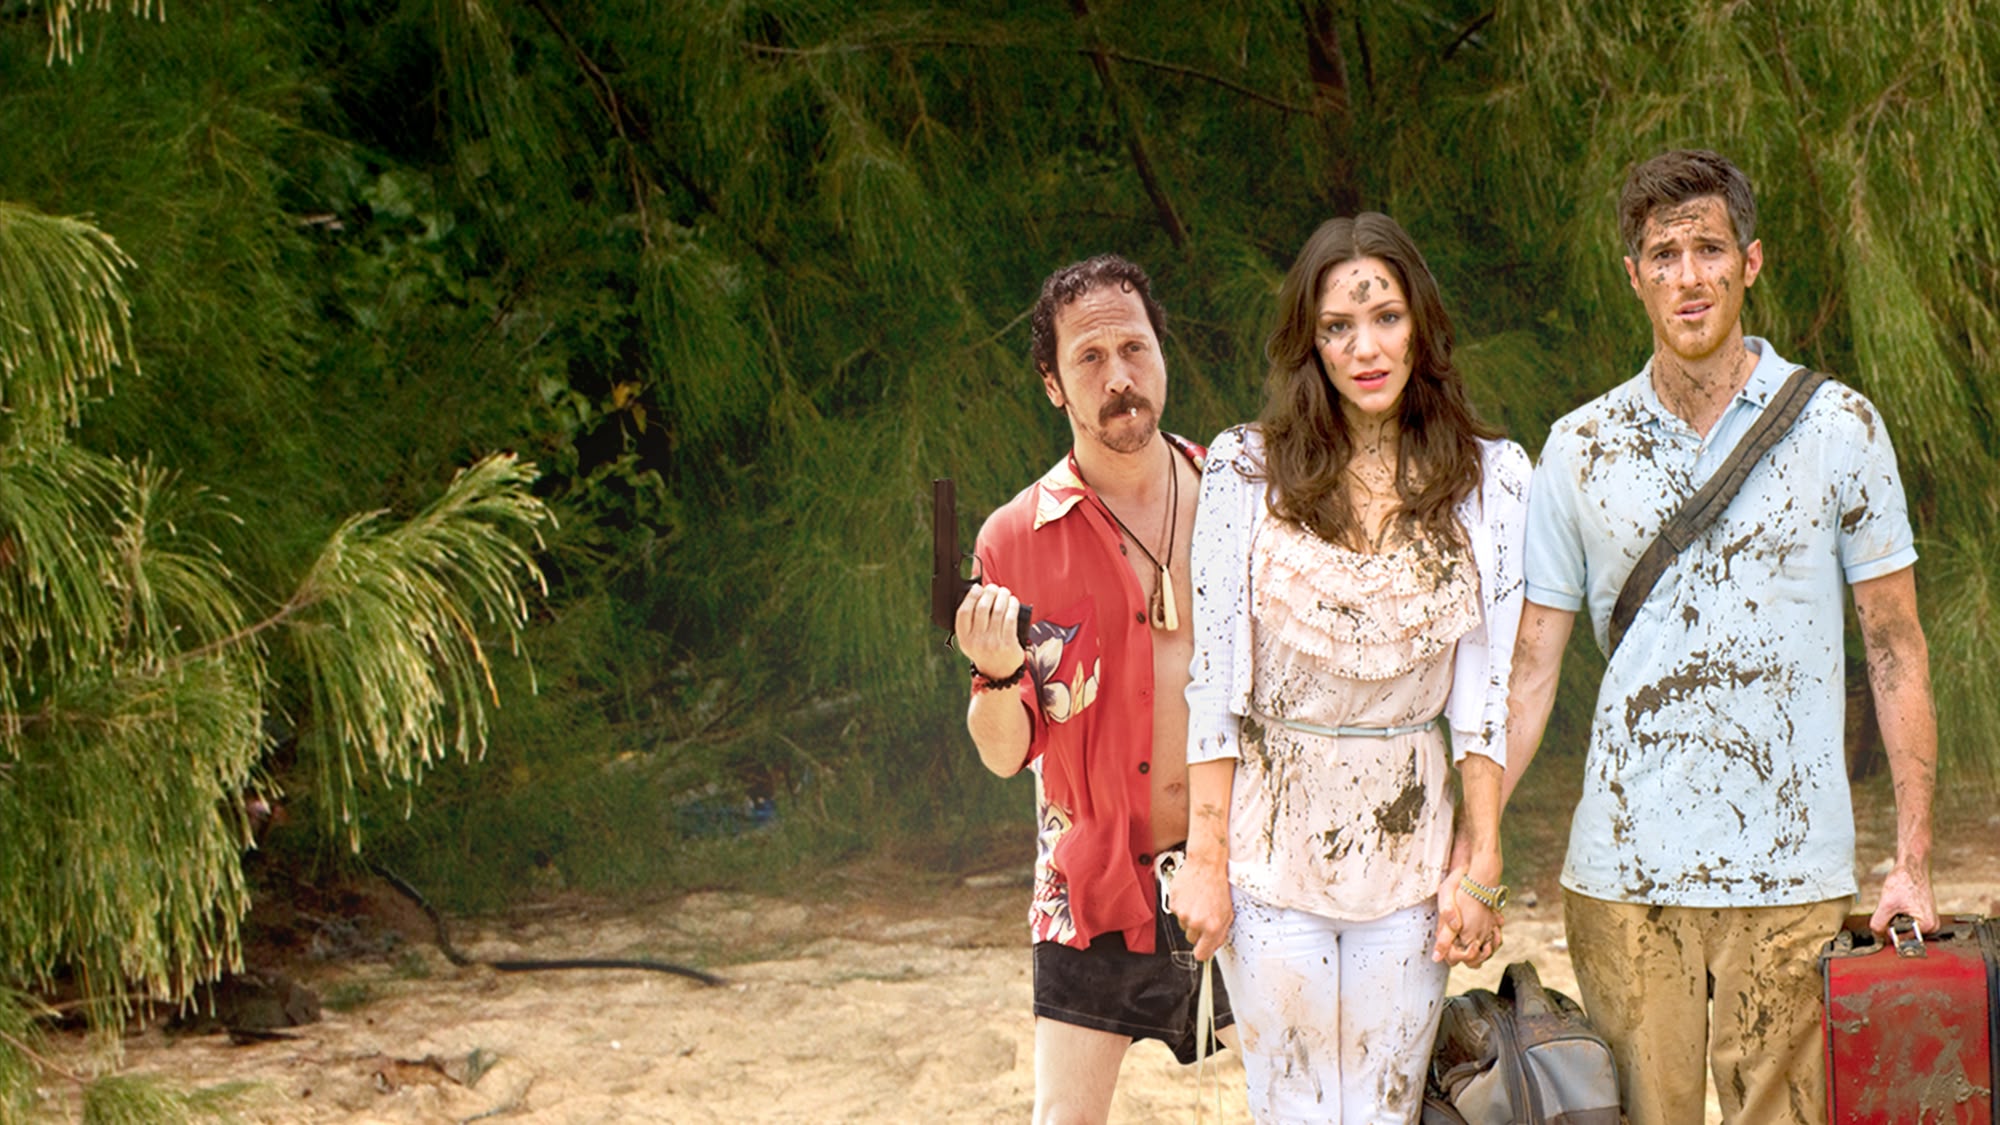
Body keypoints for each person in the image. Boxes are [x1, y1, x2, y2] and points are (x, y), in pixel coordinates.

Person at [1503, 148, 1940, 1125]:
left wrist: (1910, 859)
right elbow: (1530, 668)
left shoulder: (1841, 427)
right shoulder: (1579, 446)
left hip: (1792, 874)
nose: (1688, 275)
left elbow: (1894, 647)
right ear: (1633, 276)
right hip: (1624, 878)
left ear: (1750, 261)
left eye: (1707, 248)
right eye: (1663, 255)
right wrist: (1472, 843)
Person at [1170, 213, 1529, 1123]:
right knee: (1289, 1102)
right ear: (1310, 342)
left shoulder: (1489, 479)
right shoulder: (1246, 469)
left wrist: (1482, 857)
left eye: (1386, 318)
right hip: (1271, 845)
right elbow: (1215, 681)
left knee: (1385, 1104)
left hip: (1411, 848)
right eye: (1338, 326)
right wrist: (1204, 859)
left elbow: (1486, 690)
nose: (1365, 348)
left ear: (1420, 325)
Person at [956, 253, 1235, 1124]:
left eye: (1135, 348)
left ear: (1162, 355)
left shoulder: (1239, 499)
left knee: (1302, 1103)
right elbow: (1004, 755)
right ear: (1053, 384)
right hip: (1092, 884)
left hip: (1241, 869)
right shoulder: (1015, 539)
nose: (1119, 378)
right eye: (1089, 358)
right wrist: (998, 671)